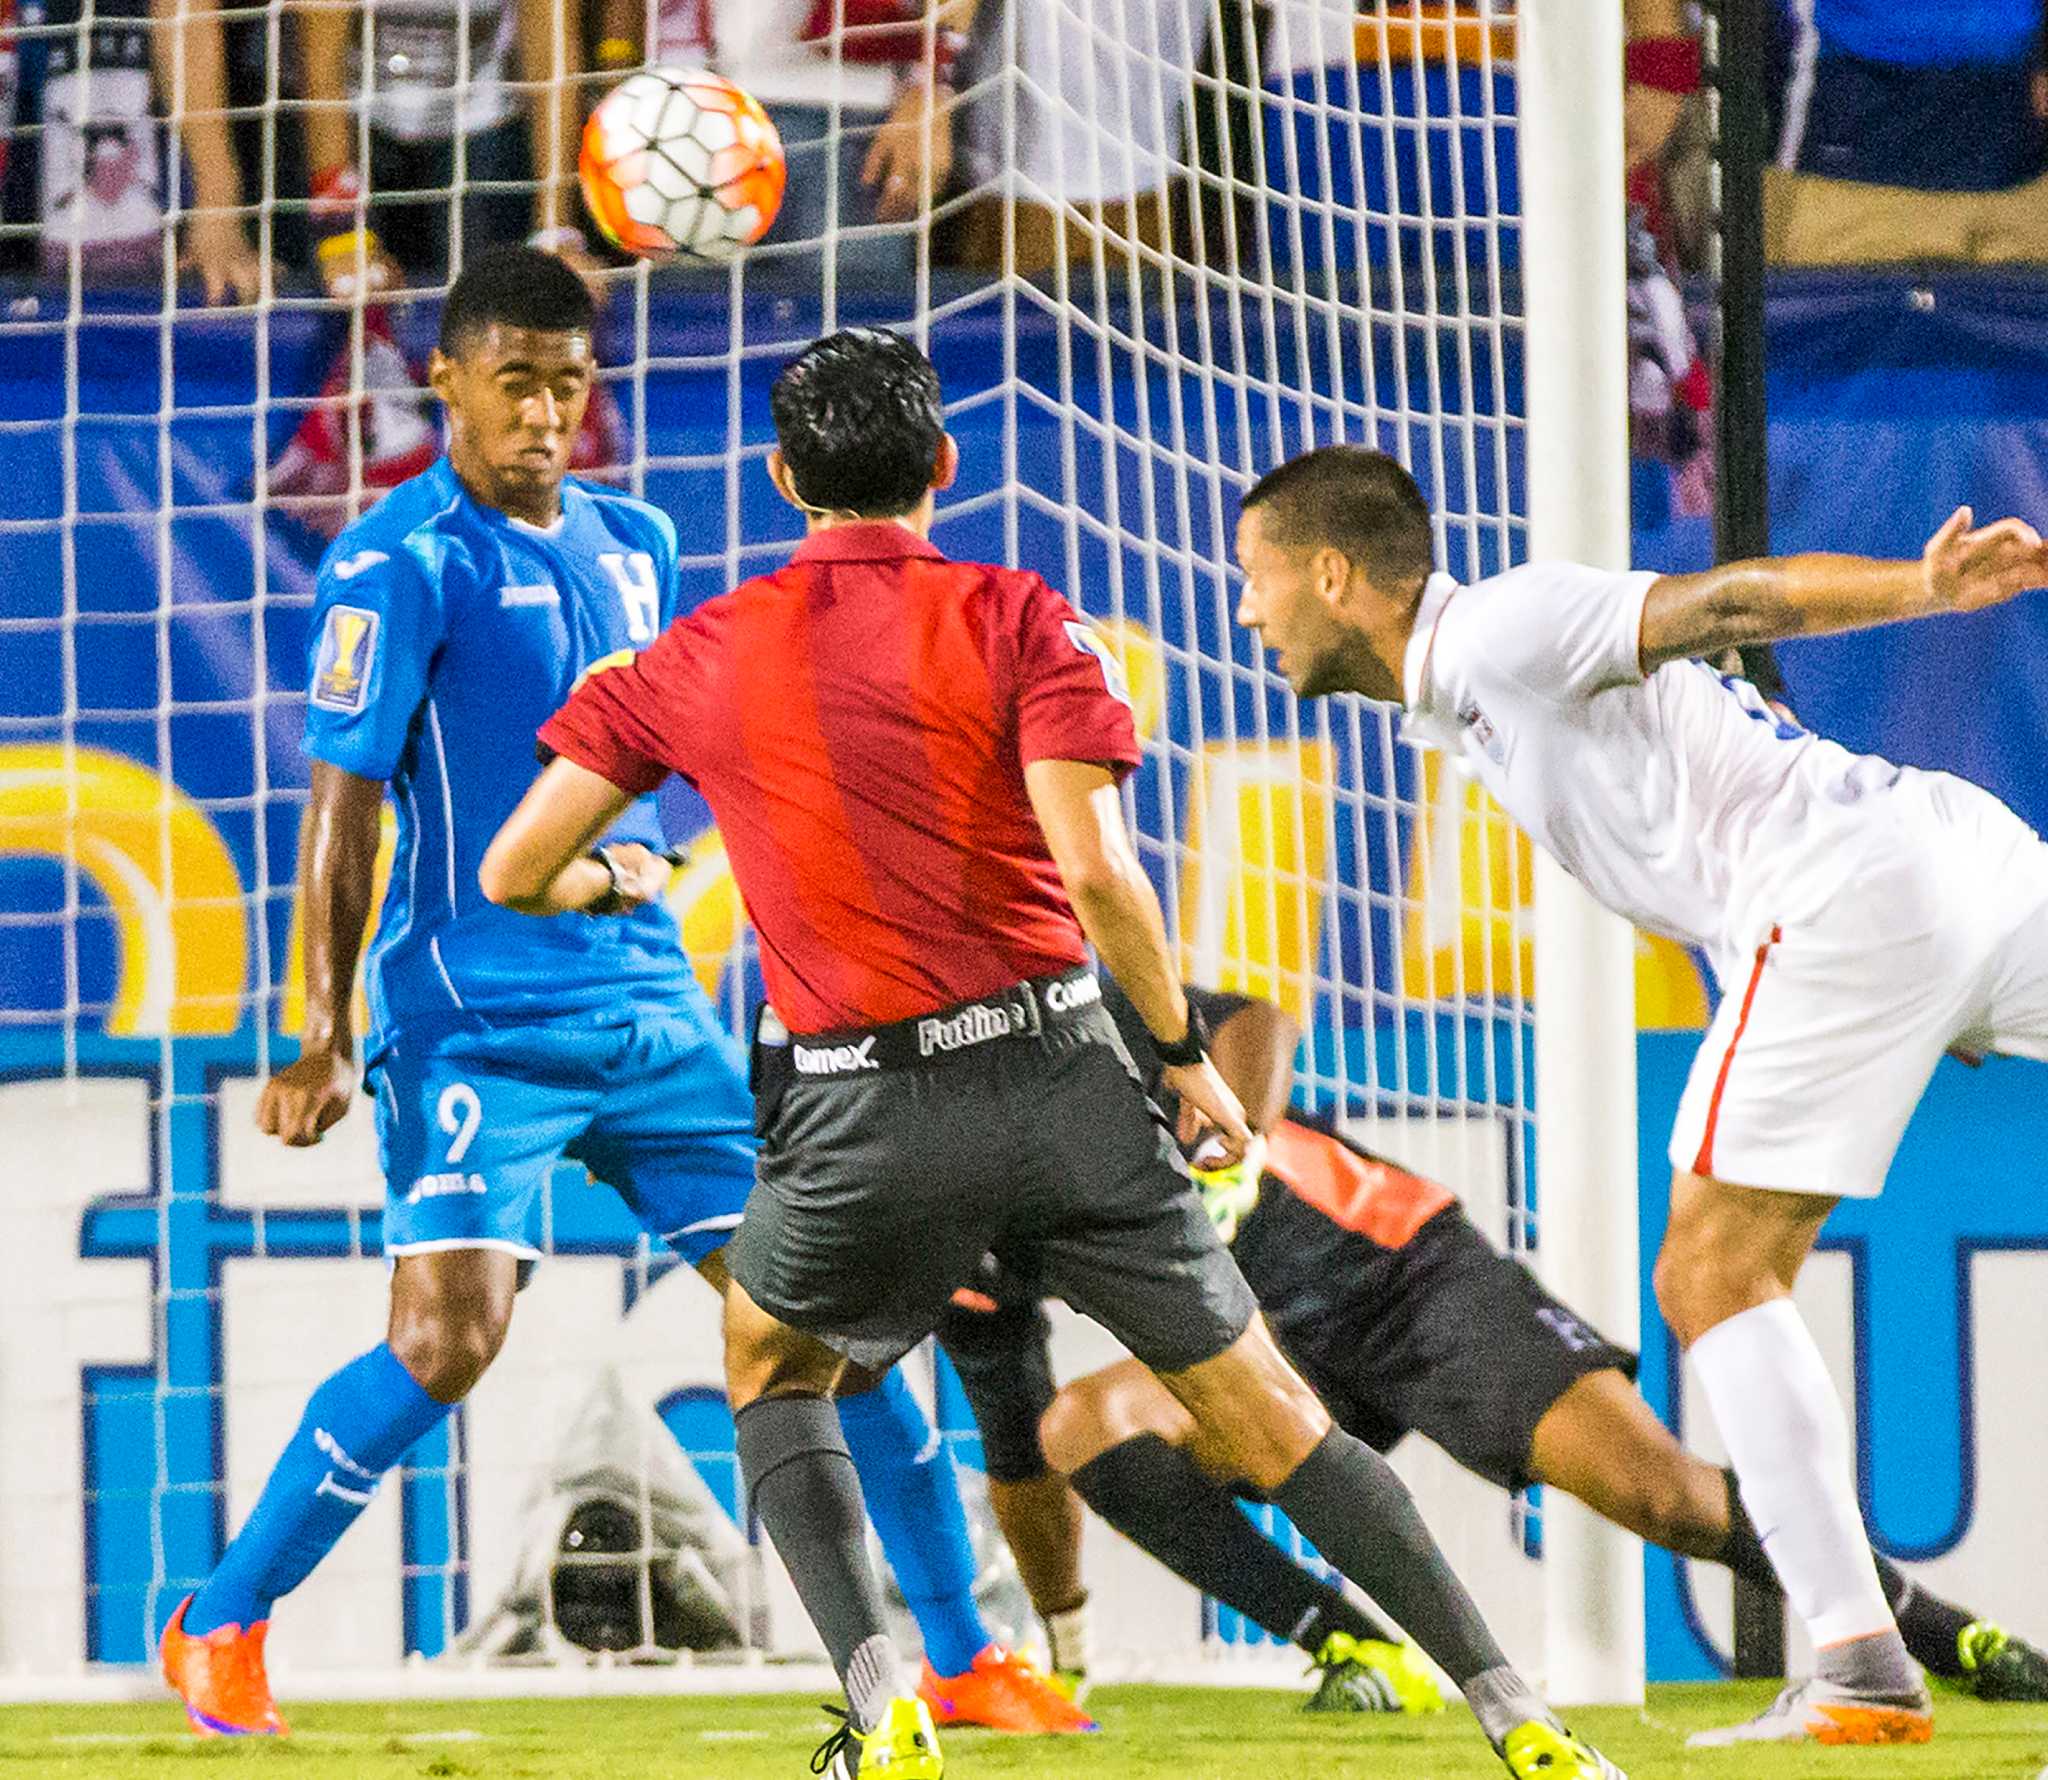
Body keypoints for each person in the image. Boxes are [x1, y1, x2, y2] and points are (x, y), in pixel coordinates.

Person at [482, 325, 1628, 1780]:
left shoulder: (701, 650)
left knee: (771, 1362)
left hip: (858, 1115)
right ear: (944, 467)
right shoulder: (1022, 614)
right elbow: (1100, 877)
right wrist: (1183, 1060)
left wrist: (618, 883)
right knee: (1266, 1411)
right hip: (1062, 1076)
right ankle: (1516, 1714)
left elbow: (518, 868)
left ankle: (886, 1697)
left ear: (780, 478)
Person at [156, 247, 1080, 1743]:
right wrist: (321, 1029)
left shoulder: (639, 538)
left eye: (567, 384)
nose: (543, 411)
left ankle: (967, 1658)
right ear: (444, 382)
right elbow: (344, 801)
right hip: (476, 1009)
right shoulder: (397, 559)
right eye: (513, 380)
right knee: (450, 1340)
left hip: (652, 1011)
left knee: (829, 1330)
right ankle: (224, 1618)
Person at [1231, 442, 2048, 1746]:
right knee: (1722, 1268)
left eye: (1257, 578)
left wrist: (1924, 585)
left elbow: (1730, 602)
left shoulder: (1499, 629)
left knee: (1710, 1277)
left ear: (1332, 577)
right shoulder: (1475, 701)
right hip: (1944, 864)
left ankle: (1859, 1667)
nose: (1246, 612)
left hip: (1846, 893)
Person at [940, 977, 2048, 1714]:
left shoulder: (1056, 1026)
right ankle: (1349, 1643)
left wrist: (1229, 1154)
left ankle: (1939, 1633)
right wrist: (1064, 1638)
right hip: (1258, 1343)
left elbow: (1253, 1026)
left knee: (1659, 1496)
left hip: (1399, 1272)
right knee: (1081, 1420)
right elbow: (1015, 1449)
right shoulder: (956, 1241)